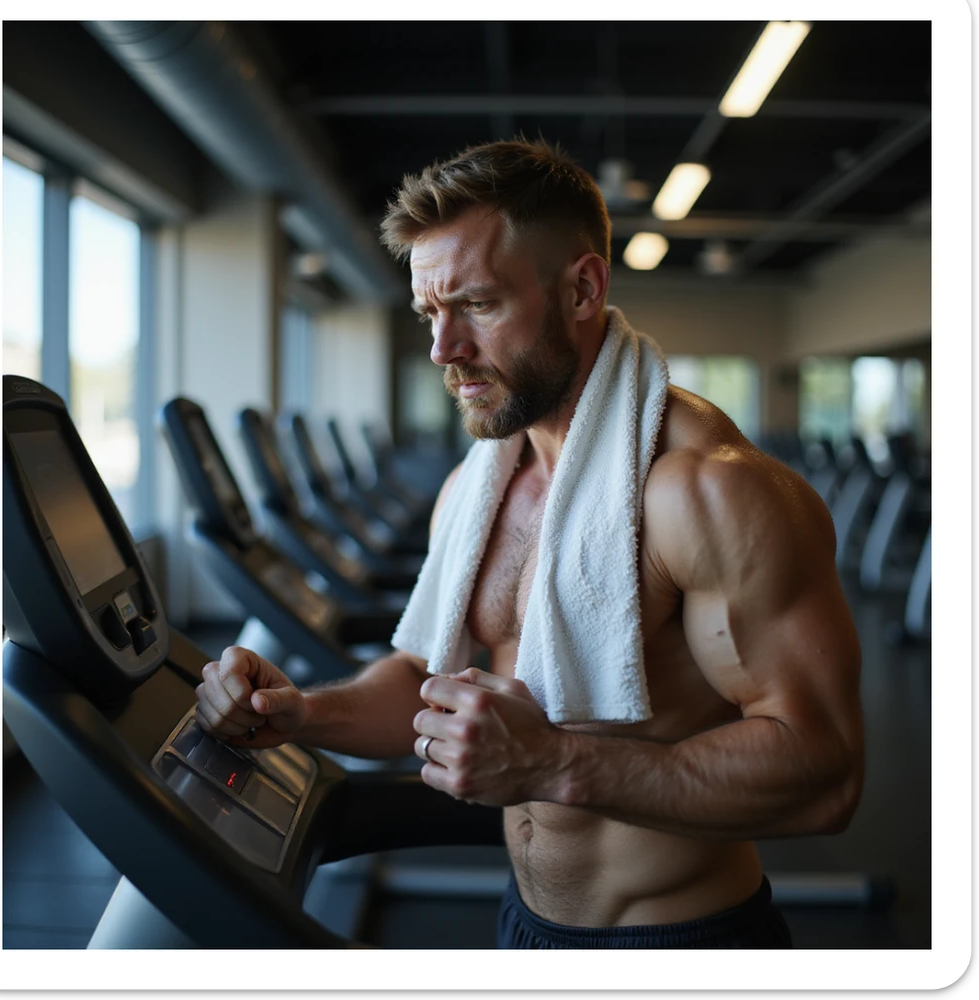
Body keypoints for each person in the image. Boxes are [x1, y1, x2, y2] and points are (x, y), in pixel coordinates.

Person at [195, 139, 864, 949]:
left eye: (476, 304)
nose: (443, 350)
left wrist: (553, 764)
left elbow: (825, 773)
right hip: (524, 922)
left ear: (582, 288)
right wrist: (297, 712)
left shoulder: (706, 492)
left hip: (679, 941)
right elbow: (425, 682)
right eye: (430, 314)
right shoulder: (475, 488)